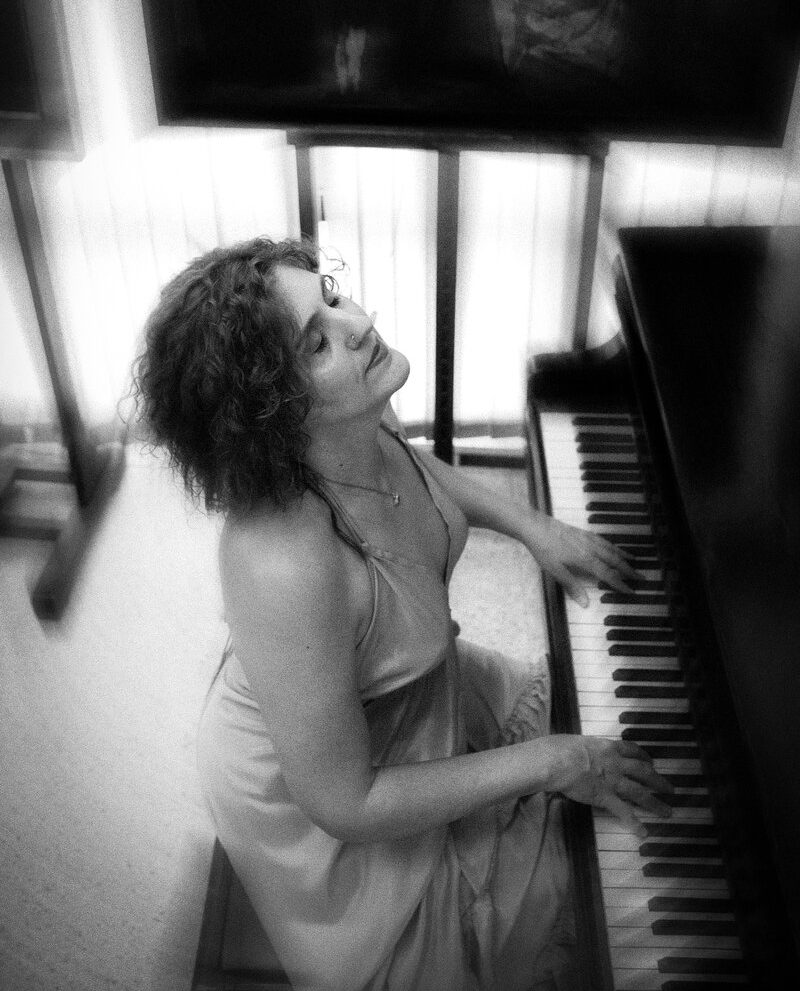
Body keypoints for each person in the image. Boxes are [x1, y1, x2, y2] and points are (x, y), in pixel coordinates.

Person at [133, 236, 671, 991]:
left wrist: (532, 527)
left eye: (332, 296)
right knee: (612, 896)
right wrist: (557, 761)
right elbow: (346, 802)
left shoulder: (355, 421)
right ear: (272, 414)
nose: (357, 323)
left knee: (606, 733)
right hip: (330, 804)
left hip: (406, 689)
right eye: (317, 342)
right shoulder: (280, 563)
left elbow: (416, 467)